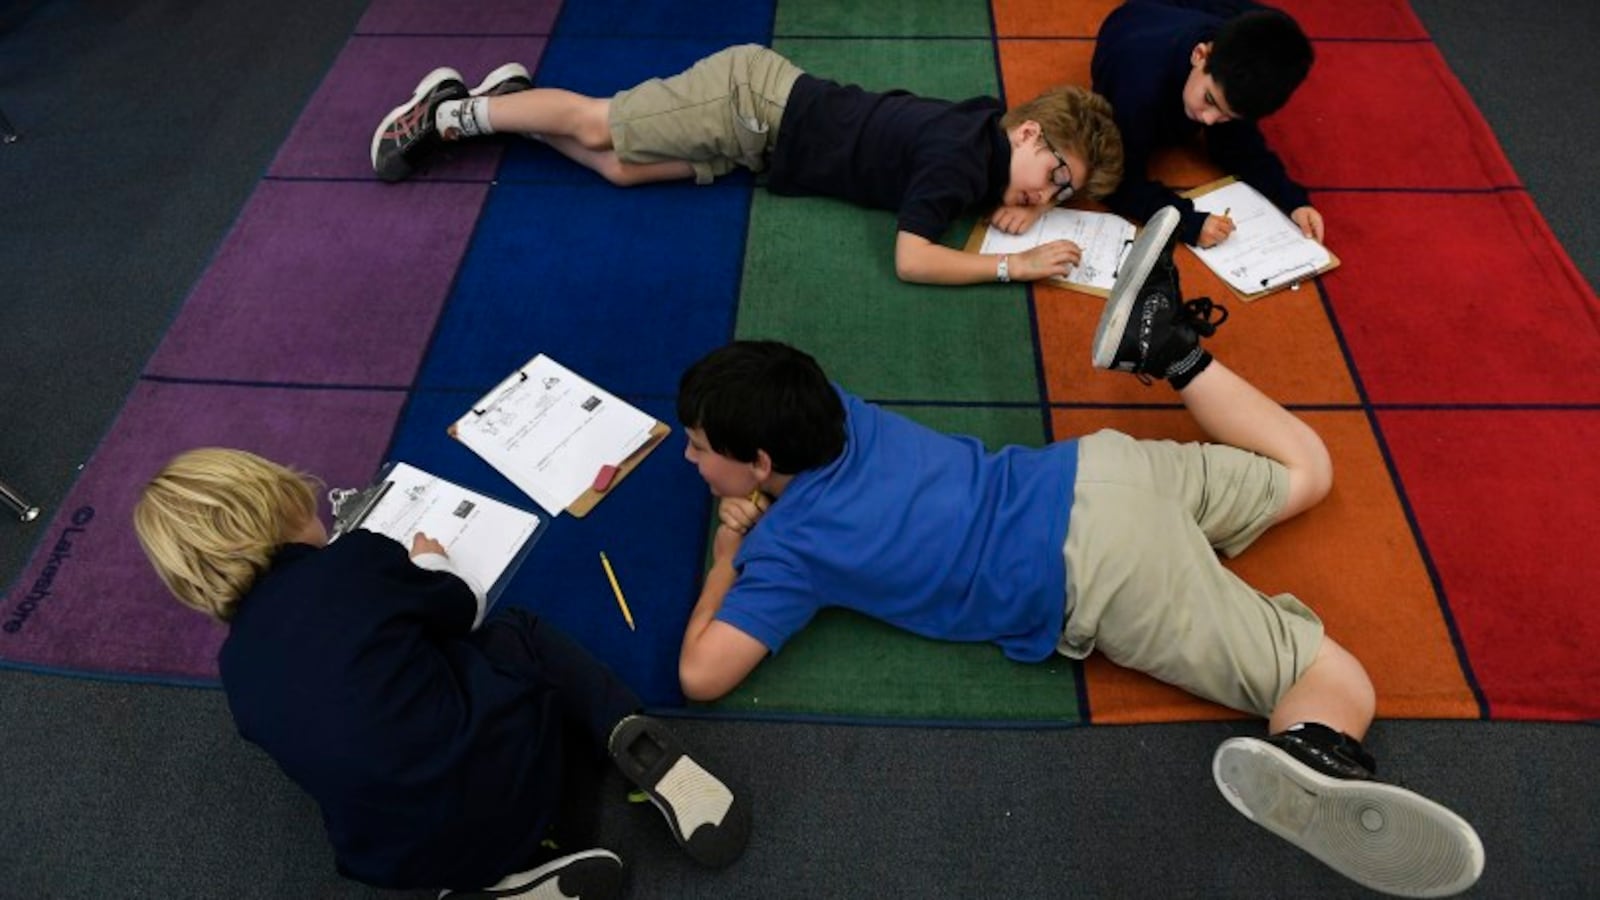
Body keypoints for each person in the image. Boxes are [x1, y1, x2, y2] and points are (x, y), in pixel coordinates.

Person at [670, 207, 1483, 898]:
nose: (691, 461)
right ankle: (1171, 351)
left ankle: (1317, 754)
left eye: (702, 448)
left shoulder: (789, 552)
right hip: (1100, 468)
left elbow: (700, 677)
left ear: (763, 466)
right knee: (1308, 471)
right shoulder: (835, 410)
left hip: (1099, 572)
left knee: (1335, 681)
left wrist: (728, 553)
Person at [132, 448, 750, 900]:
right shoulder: (357, 558)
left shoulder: (234, 672)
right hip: (516, 774)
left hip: (405, 858)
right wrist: (433, 559)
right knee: (513, 632)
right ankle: (630, 733)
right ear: (283, 505)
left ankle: (504, 886)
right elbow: (463, 606)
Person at [370, 45, 1124, 286]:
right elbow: (911, 258)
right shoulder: (958, 161)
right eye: (1056, 172)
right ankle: (446, 112)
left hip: (755, 141)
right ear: (1025, 132)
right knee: (599, 125)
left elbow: (997, 164)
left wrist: (1021, 192)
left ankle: (511, 104)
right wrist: (1012, 264)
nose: (1053, 193)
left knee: (619, 170)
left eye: (1065, 192)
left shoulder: (986, 133)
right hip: (748, 100)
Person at [1091, 0, 1321, 249]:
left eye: (1227, 115)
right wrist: (1186, 222)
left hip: (1201, 12)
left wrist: (1294, 202)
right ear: (1200, 55)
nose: (1209, 120)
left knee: (1281, 41)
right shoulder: (1137, 88)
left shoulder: (1225, 74)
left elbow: (1241, 147)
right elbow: (1114, 183)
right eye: (1209, 99)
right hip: (1141, 19)